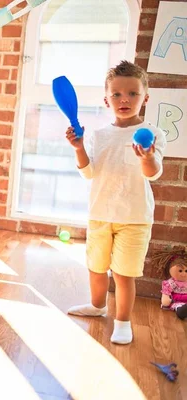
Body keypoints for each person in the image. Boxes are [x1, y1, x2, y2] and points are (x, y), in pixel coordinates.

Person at [65, 60, 167, 344]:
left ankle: (122, 321)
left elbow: (154, 173)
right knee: (96, 267)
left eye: (133, 94)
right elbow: (89, 172)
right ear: (106, 99)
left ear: (145, 97)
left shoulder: (154, 134)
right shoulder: (99, 135)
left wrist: (147, 157)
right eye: (117, 94)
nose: (125, 100)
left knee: (123, 274)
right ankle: (98, 307)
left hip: (134, 217)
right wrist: (79, 147)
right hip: (100, 213)